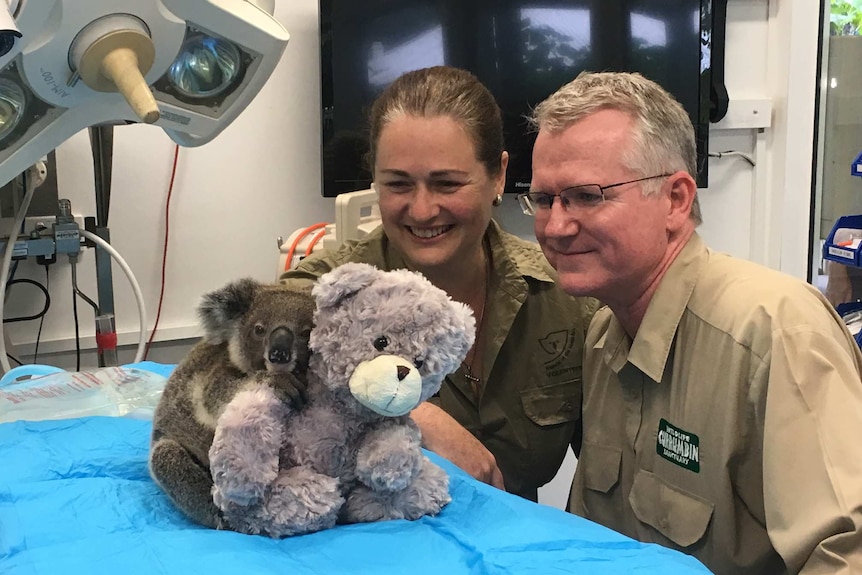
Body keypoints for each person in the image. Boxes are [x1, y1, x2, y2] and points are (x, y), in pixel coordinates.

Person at [523, 71, 862, 574]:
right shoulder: (603, 334)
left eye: (586, 196)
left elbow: (845, 556)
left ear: (676, 200)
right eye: (543, 198)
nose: (555, 226)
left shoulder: (774, 331)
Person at [280, 66, 599, 502]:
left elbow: (610, 470)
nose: (423, 209)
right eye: (398, 184)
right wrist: (417, 415)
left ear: (498, 176)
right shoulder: (323, 292)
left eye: (447, 183)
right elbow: (228, 384)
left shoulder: (565, 297)